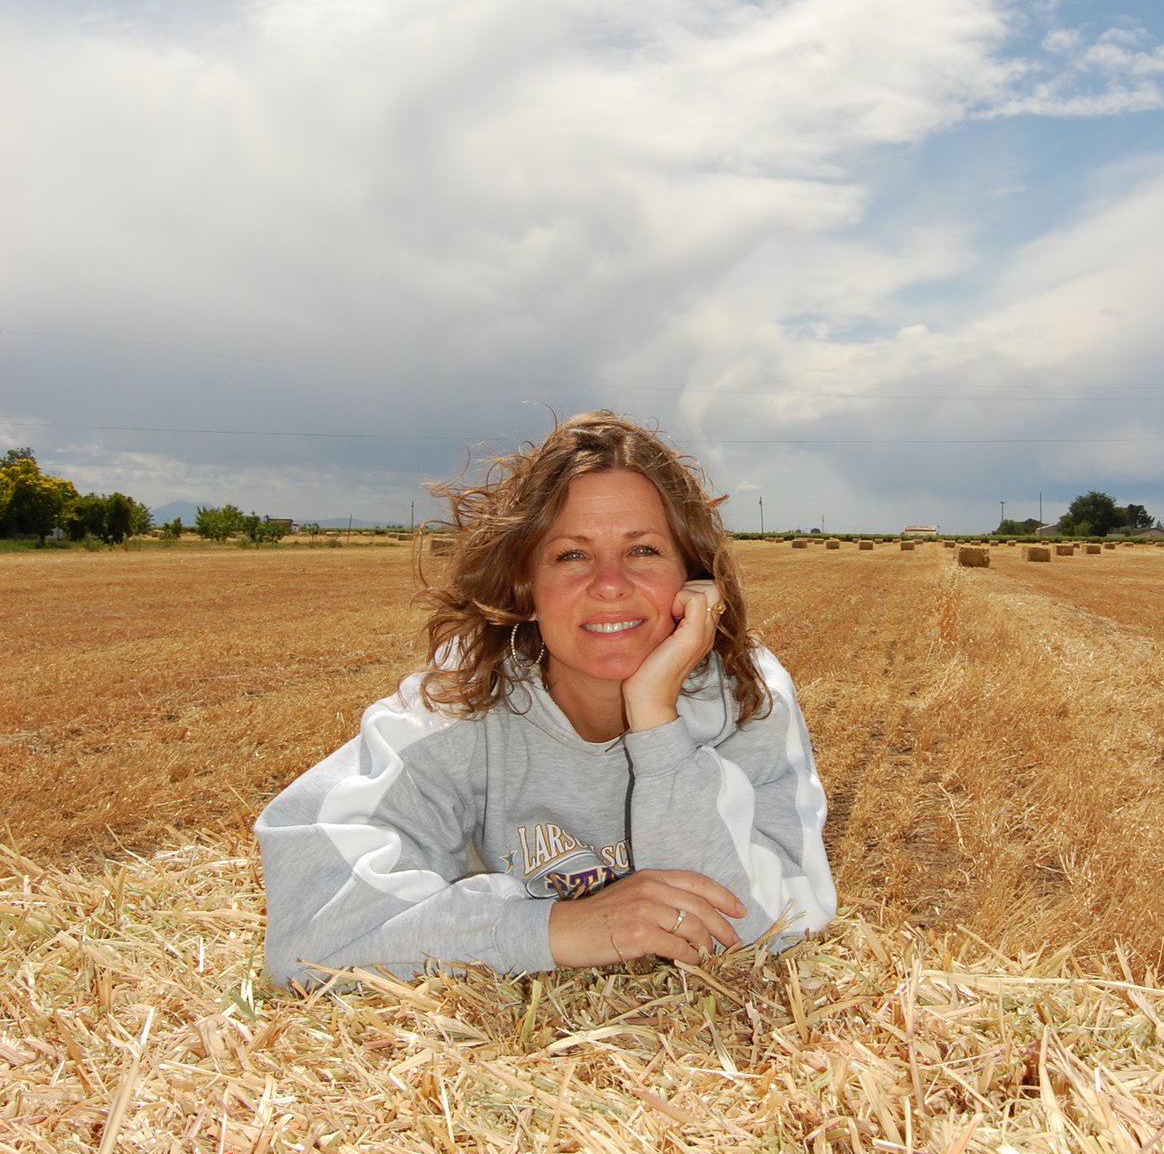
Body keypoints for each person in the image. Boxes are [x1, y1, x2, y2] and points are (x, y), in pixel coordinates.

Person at [255, 412, 835, 986]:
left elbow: (773, 920)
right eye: (571, 555)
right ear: (525, 589)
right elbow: (310, 931)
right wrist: (555, 928)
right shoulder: (460, 707)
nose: (610, 583)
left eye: (643, 551)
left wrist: (659, 725)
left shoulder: (745, 698)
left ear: (692, 578)